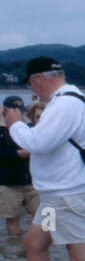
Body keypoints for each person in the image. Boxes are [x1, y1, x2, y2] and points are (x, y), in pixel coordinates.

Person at [2, 57, 85, 261]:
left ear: (39, 78)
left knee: (82, 259)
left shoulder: (65, 104)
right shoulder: (68, 100)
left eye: (31, 84)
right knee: (34, 244)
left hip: (68, 194)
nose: (32, 91)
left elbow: (38, 143)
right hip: (57, 195)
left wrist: (15, 122)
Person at [0, 96, 38, 236]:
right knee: (12, 219)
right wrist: (17, 154)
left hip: (34, 182)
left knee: (48, 215)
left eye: (20, 111)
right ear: (4, 111)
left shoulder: (30, 127)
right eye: (14, 112)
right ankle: (15, 248)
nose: (18, 115)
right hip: (7, 183)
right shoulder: (1, 130)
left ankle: (52, 247)